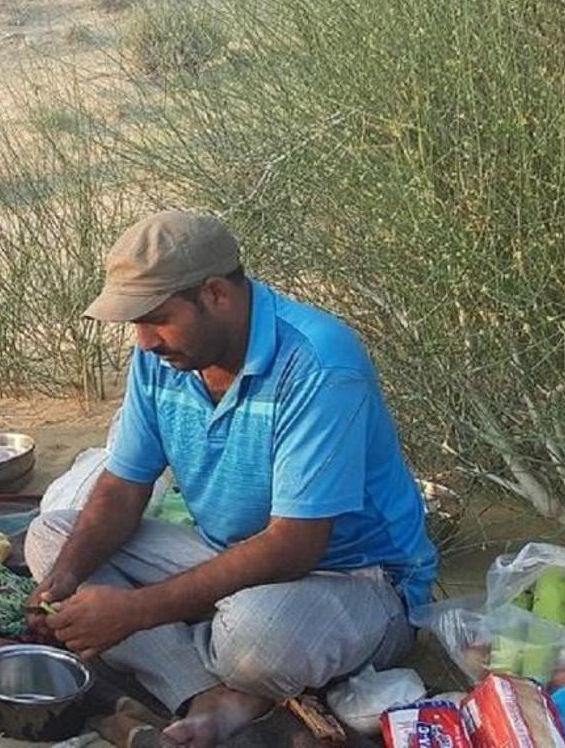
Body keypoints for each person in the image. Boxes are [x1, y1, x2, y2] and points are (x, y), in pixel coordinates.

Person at [23, 211, 439, 748]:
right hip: (227, 554)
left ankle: (239, 675)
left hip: (357, 581)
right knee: (53, 539)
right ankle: (202, 693)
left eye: (156, 318)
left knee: (253, 637)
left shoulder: (318, 363)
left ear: (216, 294)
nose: (144, 340)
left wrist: (138, 610)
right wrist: (64, 580)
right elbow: (124, 487)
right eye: (135, 323)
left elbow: (294, 546)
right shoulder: (162, 358)